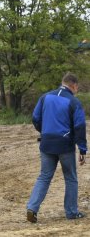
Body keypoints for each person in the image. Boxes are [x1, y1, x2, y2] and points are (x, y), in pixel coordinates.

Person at [26, 73, 87, 223]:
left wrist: (44, 131)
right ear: (74, 86)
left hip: (46, 143)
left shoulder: (45, 97)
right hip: (65, 145)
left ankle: (32, 208)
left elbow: (35, 118)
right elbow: (80, 126)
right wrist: (82, 149)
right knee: (71, 178)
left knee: (44, 176)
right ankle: (71, 212)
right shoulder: (73, 101)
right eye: (77, 88)